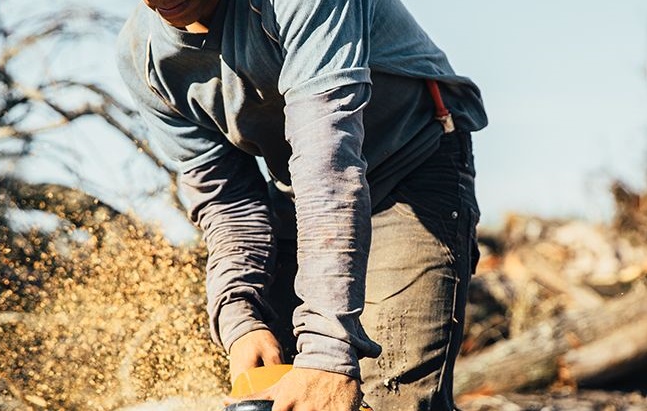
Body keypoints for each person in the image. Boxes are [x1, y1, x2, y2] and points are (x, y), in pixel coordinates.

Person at [117, 0, 487, 409]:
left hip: (409, 167)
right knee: (275, 385)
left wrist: (329, 350)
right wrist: (240, 316)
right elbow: (227, 201)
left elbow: (327, 157)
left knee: (389, 395)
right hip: (299, 195)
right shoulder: (143, 56)